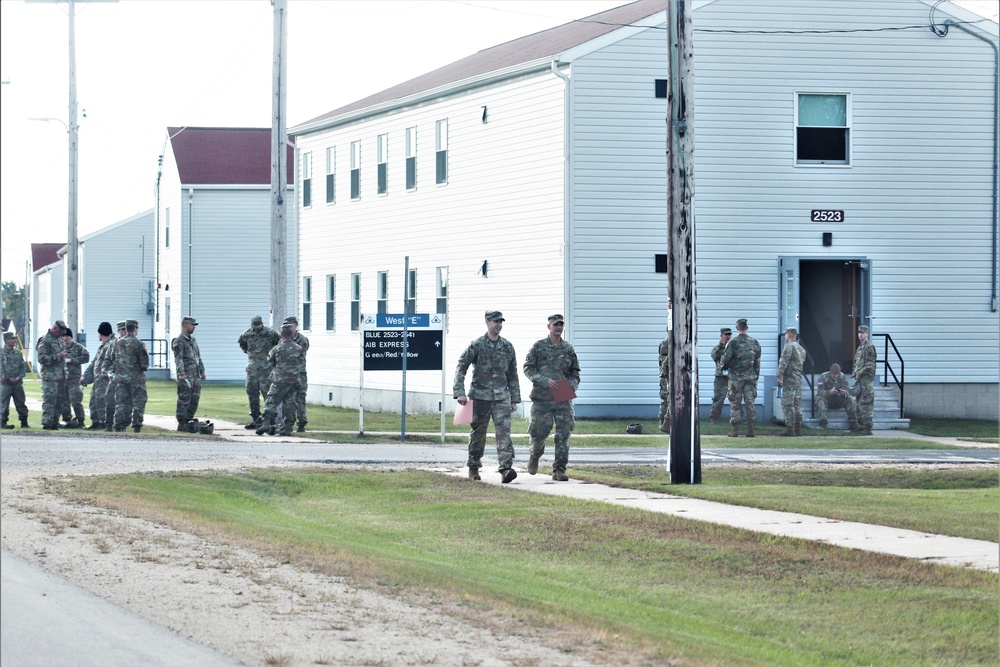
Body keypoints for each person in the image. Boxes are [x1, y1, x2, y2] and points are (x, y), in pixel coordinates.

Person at [453, 310, 521, 483]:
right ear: (487, 322)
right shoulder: (477, 345)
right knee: (478, 434)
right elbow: (461, 366)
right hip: (480, 397)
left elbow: (513, 374)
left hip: (501, 397)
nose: (499, 325)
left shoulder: (507, 347)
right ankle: (473, 466)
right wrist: (459, 391)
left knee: (504, 433)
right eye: (496, 321)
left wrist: (514, 398)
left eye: (501, 322)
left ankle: (506, 469)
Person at [523, 314, 581, 481]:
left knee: (564, 434)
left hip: (562, 397)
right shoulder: (538, 347)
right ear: (549, 326)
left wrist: (571, 386)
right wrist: (544, 381)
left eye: (561, 324)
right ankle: (534, 455)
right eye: (555, 324)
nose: (558, 327)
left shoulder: (568, 349)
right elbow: (528, 368)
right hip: (542, 398)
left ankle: (559, 470)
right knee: (539, 433)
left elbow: (575, 372)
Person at [256, 323, 304, 437]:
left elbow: (270, 361)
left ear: (281, 334)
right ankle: (288, 428)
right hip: (294, 380)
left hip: (279, 380)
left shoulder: (277, 349)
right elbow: (301, 362)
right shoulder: (298, 348)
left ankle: (266, 423)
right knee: (291, 404)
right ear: (292, 333)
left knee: (271, 401)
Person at [720, 318, 761, 438]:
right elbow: (757, 362)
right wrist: (756, 377)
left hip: (736, 378)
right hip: (750, 377)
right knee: (750, 402)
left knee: (735, 403)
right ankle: (751, 429)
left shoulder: (732, 343)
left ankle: (735, 430)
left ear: (737, 328)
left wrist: (724, 368)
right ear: (746, 328)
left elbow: (725, 359)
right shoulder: (754, 342)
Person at [238, 314, 280, 429]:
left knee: (268, 394)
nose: (256, 328)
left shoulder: (271, 333)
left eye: (258, 325)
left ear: (262, 323)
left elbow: (278, 345)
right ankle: (256, 419)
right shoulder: (246, 334)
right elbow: (243, 346)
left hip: (266, 369)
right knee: (252, 394)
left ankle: (270, 420)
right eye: (254, 326)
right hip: (252, 369)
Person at [111, 319, 150, 432]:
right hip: (136, 378)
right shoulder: (139, 344)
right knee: (139, 402)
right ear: (135, 329)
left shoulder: (118, 343)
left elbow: (114, 359)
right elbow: (144, 365)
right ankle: (137, 425)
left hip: (121, 378)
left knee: (121, 403)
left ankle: (118, 425)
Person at [172, 316, 206, 430]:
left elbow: (198, 357)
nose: (194, 327)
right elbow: (178, 359)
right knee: (184, 399)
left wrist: (202, 371)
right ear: (186, 325)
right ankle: (181, 423)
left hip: (195, 376)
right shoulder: (179, 341)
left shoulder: (193, 340)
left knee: (194, 399)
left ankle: (189, 421)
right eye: (192, 325)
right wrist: (181, 373)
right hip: (186, 376)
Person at [81, 321, 115, 430]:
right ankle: (96, 422)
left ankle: (103, 422)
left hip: (105, 379)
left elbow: (112, 361)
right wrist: (85, 377)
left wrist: (106, 374)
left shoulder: (112, 344)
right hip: (98, 379)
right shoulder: (103, 346)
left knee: (102, 401)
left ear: (101, 333)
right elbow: (94, 362)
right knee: (93, 401)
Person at [36, 320, 68, 430]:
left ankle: (55, 421)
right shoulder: (45, 340)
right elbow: (42, 359)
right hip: (50, 377)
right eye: (60, 332)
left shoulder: (59, 340)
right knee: (49, 400)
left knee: (60, 401)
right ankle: (47, 422)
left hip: (60, 376)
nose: (62, 335)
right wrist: (58, 356)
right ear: (54, 329)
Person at [776, 326, 806, 437]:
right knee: (797, 404)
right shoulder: (800, 348)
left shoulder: (789, 347)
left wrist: (779, 375)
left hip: (790, 378)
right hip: (798, 378)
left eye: (786, 334)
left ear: (788, 335)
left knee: (787, 403)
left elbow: (784, 361)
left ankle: (790, 428)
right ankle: (798, 427)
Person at [283, 316, 310, 432]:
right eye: (286, 325)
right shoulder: (283, 339)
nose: (288, 327)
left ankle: (301, 423)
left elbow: (298, 354)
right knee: (288, 399)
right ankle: (288, 423)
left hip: (299, 373)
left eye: (290, 325)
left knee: (300, 398)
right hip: (286, 374)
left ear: (295, 325)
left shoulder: (302, 340)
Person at [59, 327, 90, 428]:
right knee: (64, 402)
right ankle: (66, 419)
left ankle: (81, 421)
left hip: (74, 379)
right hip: (62, 379)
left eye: (67, 336)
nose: (65, 338)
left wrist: (71, 360)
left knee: (76, 401)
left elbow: (86, 357)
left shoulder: (78, 347)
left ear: (71, 337)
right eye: (63, 336)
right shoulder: (59, 347)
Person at [816, 363, 859, 431]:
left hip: (839, 399)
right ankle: (823, 423)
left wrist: (844, 393)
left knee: (850, 400)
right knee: (820, 399)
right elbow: (819, 392)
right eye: (834, 374)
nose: (836, 376)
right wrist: (829, 392)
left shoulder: (842, 377)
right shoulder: (823, 377)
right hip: (827, 399)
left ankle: (854, 423)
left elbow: (848, 390)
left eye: (837, 374)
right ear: (830, 372)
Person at [102, 320, 128, 431]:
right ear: (118, 331)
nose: (123, 331)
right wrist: (104, 369)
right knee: (110, 399)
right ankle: (108, 424)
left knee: (126, 402)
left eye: (125, 329)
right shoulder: (114, 343)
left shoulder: (133, 343)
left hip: (128, 377)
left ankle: (123, 424)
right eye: (121, 329)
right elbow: (107, 358)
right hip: (115, 375)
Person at [1, 332, 29, 429]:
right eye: (12, 339)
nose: (14, 341)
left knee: (21, 402)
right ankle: (3, 422)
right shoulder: (1, 353)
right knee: (4, 404)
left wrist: (19, 377)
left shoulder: (18, 353)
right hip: (5, 383)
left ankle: (24, 421)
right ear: (7, 340)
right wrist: (7, 377)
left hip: (17, 383)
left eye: (15, 339)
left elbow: (22, 366)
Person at [853, 324, 877, 435]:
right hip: (859, 380)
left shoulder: (869, 347)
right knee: (858, 403)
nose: (860, 335)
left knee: (866, 404)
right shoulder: (860, 348)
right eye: (859, 333)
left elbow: (870, 365)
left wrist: (860, 372)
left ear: (867, 334)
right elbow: (857, 363)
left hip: (866, 380)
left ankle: (867, 427)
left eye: (863, 333)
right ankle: (861, 425)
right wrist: (855, 373)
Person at [709, 327, 732, 425]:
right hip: (721, 377)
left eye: (729, 335)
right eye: (725, 335)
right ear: (721, 336)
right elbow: (714, 356)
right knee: (718, 398)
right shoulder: (717, 348)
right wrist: (721, 346)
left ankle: (735, 420)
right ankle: (714, 418)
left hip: (733, 376)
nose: (727, 336)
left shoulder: (733, 347)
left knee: (735, 398)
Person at [657, 333, 670, 434]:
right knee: (665, 397)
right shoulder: (665, 344)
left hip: (668, 375)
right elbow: (665, 361)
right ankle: (663, 421)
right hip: (666, 376)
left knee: (668, 398)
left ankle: (665, 422)